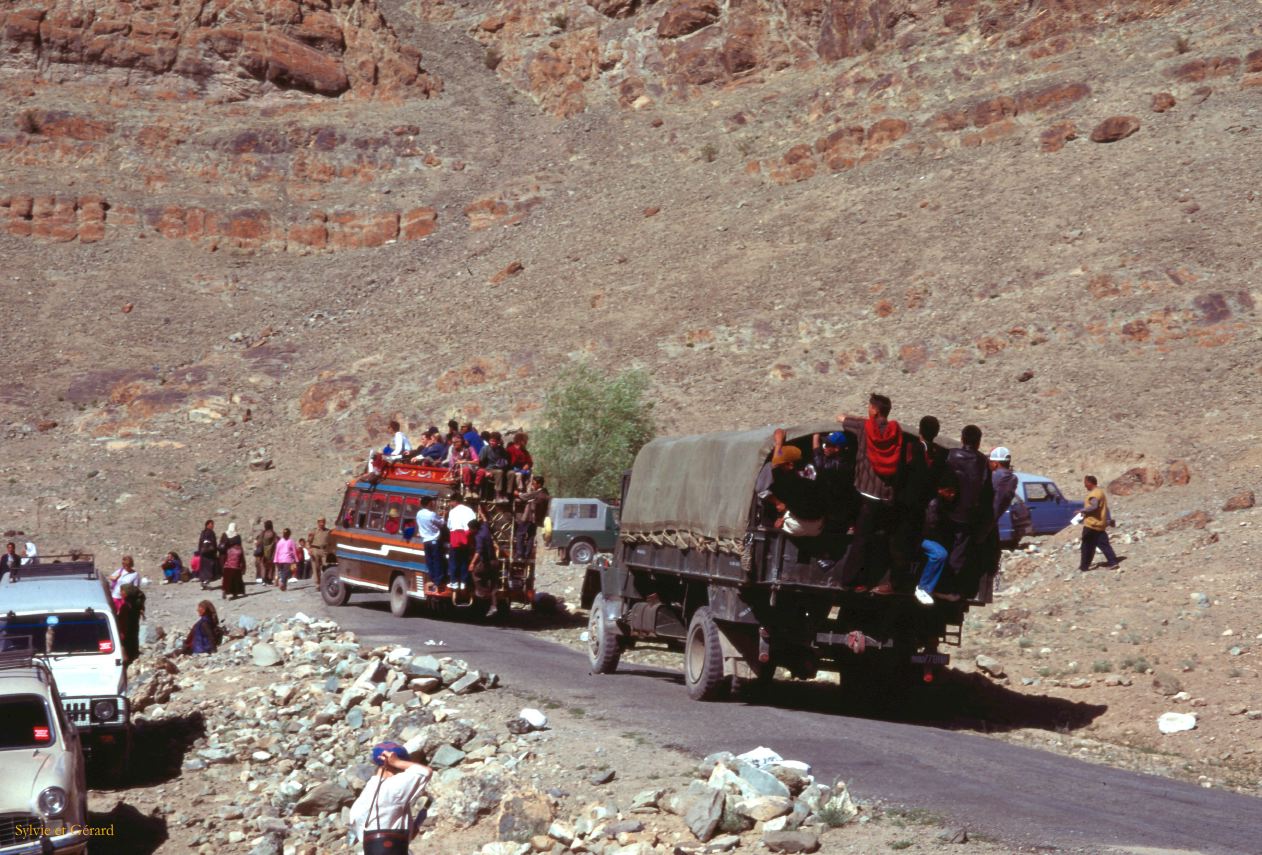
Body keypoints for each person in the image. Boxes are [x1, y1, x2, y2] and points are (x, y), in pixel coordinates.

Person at [833, 394, 905, 592]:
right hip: (886, 495)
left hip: (866, 493)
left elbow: (841, 419)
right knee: (880, 539)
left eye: (869, 407)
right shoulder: (895, 430)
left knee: (861, 540)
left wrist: (847, 417)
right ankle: (877, 580)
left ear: (874, 410)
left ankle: (849, 581)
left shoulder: (864, 427)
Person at [348, 743, 433, 854]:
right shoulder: (393, 787)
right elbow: (425, 772)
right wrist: (398, 762)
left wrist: (414, 826)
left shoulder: (364, 796)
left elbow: (383, 832)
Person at [942, 424, 994, 599]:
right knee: (960, 552)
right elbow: (987, 492)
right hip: (968, 515)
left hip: (947, 511)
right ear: (978, 442)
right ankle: (952, 588)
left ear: (962, 438)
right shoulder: (982, 462)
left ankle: (942, 585)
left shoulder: (951, 455)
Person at [766, 429, 826, 537]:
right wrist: (816, 435)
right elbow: (817, 453)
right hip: (818, 526)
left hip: (798, 526)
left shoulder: (787, 480)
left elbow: (775, 463)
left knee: (775, 523)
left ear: (789, 464)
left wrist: (779, 442)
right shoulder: (818, 471)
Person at [914, 469, 960, 606]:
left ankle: (940, 589)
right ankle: (923, 588)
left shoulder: (946, 502)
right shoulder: (934, 504)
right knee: (939, 554)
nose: (952, 494)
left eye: (954, 491)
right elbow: (929, 528)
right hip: (920, 537)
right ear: (940, 490)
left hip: (930, 536)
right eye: (949, 491)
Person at [812, 431, 856, 538]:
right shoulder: (849, 462)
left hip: (831, 507)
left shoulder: (828, 466)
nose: (824, 447)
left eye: (827, 445)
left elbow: (816, 451)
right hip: (844, 506)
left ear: (837, 448)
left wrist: (816, 434)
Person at [1078, 475, 1120, 571]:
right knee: (1103, 544)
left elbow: (1094, 506)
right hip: (1100, 524)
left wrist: (1083, 510)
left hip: (1092, 525)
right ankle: (1113, 562)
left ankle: (1084, 567)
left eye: (1085, 483)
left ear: (1090, 483)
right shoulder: (1100, 492)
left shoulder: (1095, 494)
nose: (1084, 485)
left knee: (1086, 546)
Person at [468, 519, 501, 618]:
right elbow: (486, 521)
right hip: (495, 562)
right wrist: (481, 512)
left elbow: (478, 551)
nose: (470, 531)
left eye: (470, 529)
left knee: (476, 573)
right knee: (494, 585)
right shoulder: (485, 529)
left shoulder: (479, 537)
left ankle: (482, 592)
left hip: (486, 563)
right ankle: (494, 606)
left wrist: (472, 563)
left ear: (474, 528)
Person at [514, 476, 551, 561]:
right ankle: (527, 555)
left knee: (520, 534)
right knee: (531, 536)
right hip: (537, 520)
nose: (532, 485)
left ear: (539, 484)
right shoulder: (546, 494)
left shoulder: (537, 493)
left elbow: (524, 496)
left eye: (534, 483)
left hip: (529, 517)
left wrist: (517, 493)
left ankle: (520, 554)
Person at [416, 497, 449, 590]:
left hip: (425, 541)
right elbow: (442, 523)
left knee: (429, 561)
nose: (433, 504)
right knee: (437, 561)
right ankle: (439, 581)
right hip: (434, 540)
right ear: (429, 504)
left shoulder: (419, 513)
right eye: (432, 503)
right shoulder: (431, 514)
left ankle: (433, 579)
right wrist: (444, 516)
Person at [446, 498, 476, 591]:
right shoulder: (470, 510)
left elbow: (449, 526)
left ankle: (454, 582)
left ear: (455, 501)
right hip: (466, 539)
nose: (450, 503)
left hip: (455, 539)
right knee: (464, 562)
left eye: (451, 501)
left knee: (453, 561)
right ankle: (463, 582)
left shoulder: (452, 511)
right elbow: (473, 524)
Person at [475, 431, 512, 500]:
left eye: (494, 441)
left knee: (511, 473)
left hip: (500, 468)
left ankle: (508, 493)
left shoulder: (501, 450)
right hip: (489, 469)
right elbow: (480, 463)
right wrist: (485, 471)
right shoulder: (485, 449)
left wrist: (504, 466)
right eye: (491, 441)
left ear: (498, 442)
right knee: (499, 472)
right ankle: (498, 493)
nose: (492, 442)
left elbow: (505, 462)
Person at [117, 583, 145, 665]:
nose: (120, 593)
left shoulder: (128, 605)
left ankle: (129, 658)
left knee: (127, 642)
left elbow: (123, 619)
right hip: (132, 626)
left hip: (127, 627)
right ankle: (133, 656)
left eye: (121, 591)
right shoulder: (135, 602)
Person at [197, 519, 220, 590]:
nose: (212, 526)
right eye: (211, 524)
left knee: (204, 569)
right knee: (209, 569)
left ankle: (203, 583)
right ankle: (205, 582)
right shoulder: (210, 532)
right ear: (207, 525)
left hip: (203, 554)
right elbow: (212, 543)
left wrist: (200, 551)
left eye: (213, 524)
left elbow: (200, 544)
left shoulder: (203, 532)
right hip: (209, 555)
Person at [308, 517, 331, 584]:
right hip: (315, 550)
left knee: (326, 567)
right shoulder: (314, 531)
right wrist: (309, 549)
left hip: (324, 551)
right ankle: (317, 583)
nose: (322, 523)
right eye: (320, 522)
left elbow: (331, 542)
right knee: (316, 567)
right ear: (318, 522)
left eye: (323, 522)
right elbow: (308, 541)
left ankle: (326, 582)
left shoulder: (328, 531)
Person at [258, 520, 278, 586]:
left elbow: (259, 542)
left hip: (263, 551)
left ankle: (264, 579)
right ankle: (269, 579)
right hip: (271, 551)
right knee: (271, 566)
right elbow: (276, 542)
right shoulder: (273, 533)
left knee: (263, 565)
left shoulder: (263, 533)